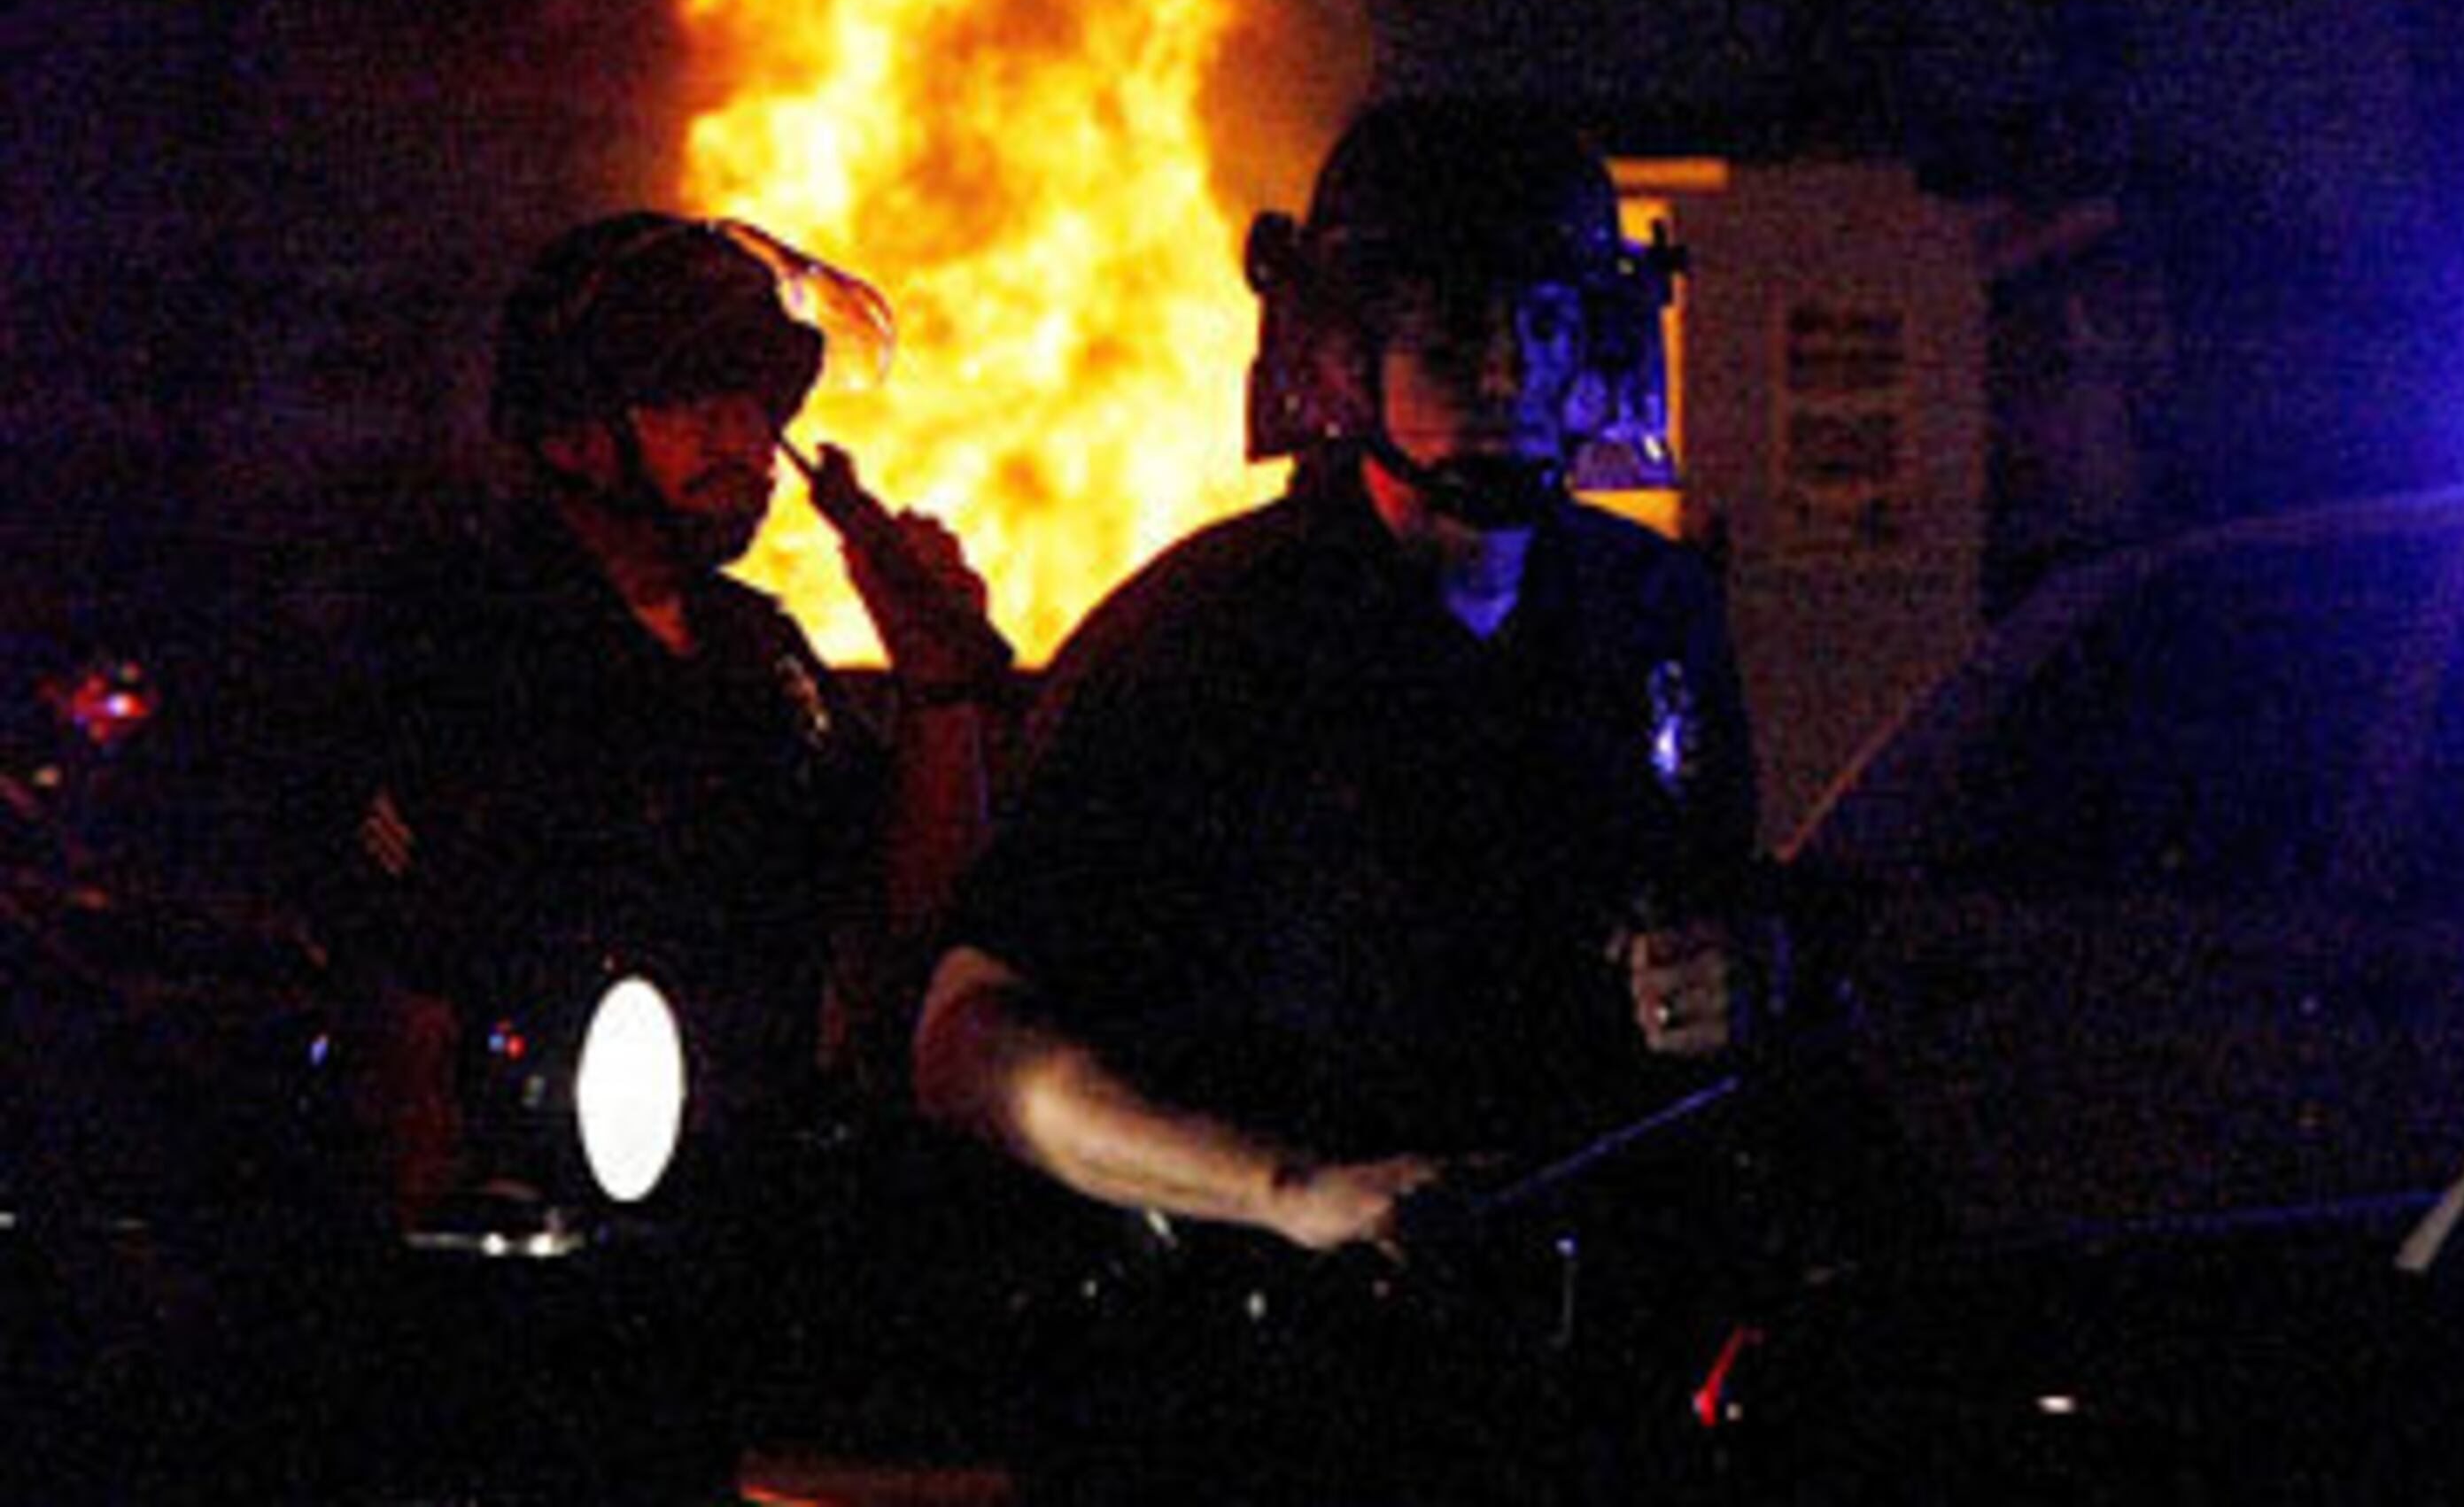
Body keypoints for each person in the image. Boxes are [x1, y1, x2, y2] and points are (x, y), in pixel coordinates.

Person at [915, 96, 1778, 1503]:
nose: (1510, 372)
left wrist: (1743, 972)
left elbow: (1715, 901)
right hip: (1258, 1397)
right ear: (1337, 356)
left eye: (1550, 329)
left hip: (1578, 1390)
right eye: (1454, 336)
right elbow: (967, 1044)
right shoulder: (1204, 642)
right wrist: (1287, 1191)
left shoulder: (1653, 613)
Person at [336, 209, 1013, 1500]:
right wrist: (440, 1286)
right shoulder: (468, 648)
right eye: (694, 401)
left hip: (744, 1254)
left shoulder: (761, 659)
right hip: (538, 1277)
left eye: (755, 404)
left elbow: (915, 923)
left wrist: (937, 691)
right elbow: (399, 1001)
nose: (743, 444)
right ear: (578, 430)